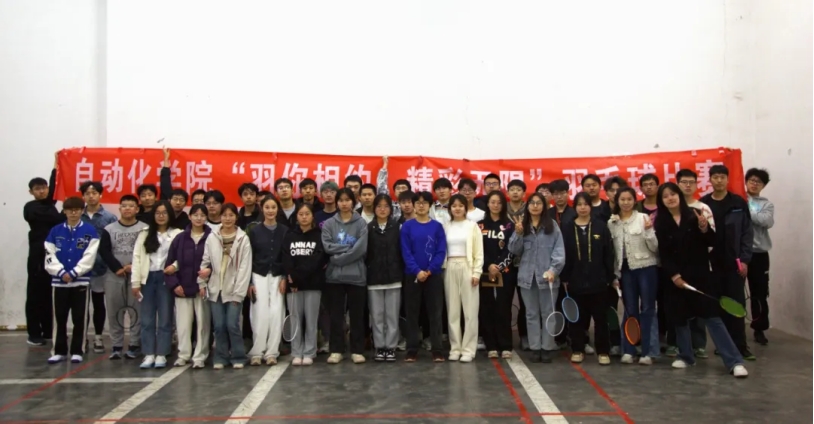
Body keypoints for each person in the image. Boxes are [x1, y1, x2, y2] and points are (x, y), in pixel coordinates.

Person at [655, 183, 748, 378]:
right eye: (665, 196)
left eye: (673, 194)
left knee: (713, 318)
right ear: (661, 201)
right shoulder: (661, 222)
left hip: (701, 276)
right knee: (680, 319)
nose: (670, 198)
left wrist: (704, 228)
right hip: (676, 279)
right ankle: (686, 356)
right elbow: (664, 253)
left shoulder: (695, 215)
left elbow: (712, 242)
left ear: (679, 195)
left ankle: (734, 361)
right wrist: (674, 276)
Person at [700, 165, 754, 360]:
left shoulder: (738, 203)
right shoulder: (703, 204)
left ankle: (741, 346)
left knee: (737, 305)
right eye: (715, 177)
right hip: (711, 264)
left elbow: (747, 233)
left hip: (734, 263)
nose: (719, 180)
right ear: (710, 180)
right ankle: (722, 346)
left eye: (722, 177)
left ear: (727, 179)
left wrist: (745, 260)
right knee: (717, 307)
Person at [508, 192, 565, 363]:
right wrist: (518, 234)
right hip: (527, 278)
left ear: (544, 206)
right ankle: (535, 347)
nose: (535, 206)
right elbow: (513, 250)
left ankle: (547, 347)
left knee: (548, 313)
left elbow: (559, 252)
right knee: (531, 314)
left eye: (538, 203)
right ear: (527, 206)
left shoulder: (552, 226)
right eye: (531, 203)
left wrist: (553, 270)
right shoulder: (522, 225)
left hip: (548, 278)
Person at [44, 196, 100, 364]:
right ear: (64, 211)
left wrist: (75, 272)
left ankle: (77, 350)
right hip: (59, 282)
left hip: (80, 282)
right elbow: (49, 254)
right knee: (59, 318)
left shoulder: (90, 231)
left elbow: (90, 256)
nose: (73, 213)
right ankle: (58, 351)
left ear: (82, 211)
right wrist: (61, 272)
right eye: (70, 210)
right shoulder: (55, 231)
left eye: (77, 210)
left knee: (79, 318)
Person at [561, 192, 615, 365]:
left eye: (586, 204)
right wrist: (565, 277)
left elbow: (608, 253)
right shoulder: (567, 228)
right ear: (575, 207)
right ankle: (578, 349)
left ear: (590, 207)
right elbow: (564, 255)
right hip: (575, 281)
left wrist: (610, 276)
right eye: (579, 204)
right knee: (577, 318)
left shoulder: (600, 226)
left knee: (600, 319)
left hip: (598, 281)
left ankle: (603, 351)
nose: (582, 208)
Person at [608, 187, 660, 364]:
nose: (626, 203)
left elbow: (655, 248)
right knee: (630, 309)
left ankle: (648, 351)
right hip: (625, 271)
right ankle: (629, 349)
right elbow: (613, 253)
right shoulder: (612, 223)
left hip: (646, 268)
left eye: (629, 199)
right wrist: (615, 275)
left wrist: (649, 232)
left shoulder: (643, 218)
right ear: (617, 201)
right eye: (622, 199)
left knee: (648, 309)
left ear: (635, 201)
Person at [199, 203, 253, 369]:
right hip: (216, 288)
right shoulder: (212, 237)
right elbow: (205, 261)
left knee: (232, 324)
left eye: (231, 215)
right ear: (220, 217)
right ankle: (221, 357)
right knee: (219, 326)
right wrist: (202, 282)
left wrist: (239, 292)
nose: (227, 219)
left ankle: (238, 356)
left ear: (236, 217)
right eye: (224, 215)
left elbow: (245, 267)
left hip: (234, 288)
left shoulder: (243, 238)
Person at [321, 188, 369, 364]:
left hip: (357, 276)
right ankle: (336, 350)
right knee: (336, 316)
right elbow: (327, 246)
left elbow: (361, 249)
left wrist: (338, 258)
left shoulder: (361, 223)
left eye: (347, 200)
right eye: (341, 200)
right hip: (334, 277)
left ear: (353, 202)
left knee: (357, 316)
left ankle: (357, 350)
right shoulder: (329, 224)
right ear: (337, 203)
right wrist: (349, 248)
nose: (344, 203)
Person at [672, 169, 716, 357]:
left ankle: (699, 345)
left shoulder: (703, 208)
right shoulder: (673, 208)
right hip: (677, 267)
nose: (688, 185)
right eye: (684, 182)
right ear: (677, 184)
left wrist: (703, 227)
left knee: (700, 305)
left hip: (699, 266)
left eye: (691, 182)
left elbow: (711, 238)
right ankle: (678, 345)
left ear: (697, 184)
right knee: (678, 307)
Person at [132, 201, 181, 369]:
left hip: (167, 277)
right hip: (147, 278)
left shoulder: (177, 234)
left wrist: (174, 266)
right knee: (147, 318)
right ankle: (148, 354)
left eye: (164, 213)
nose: (161, 216)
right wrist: (135, 282)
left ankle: (162, 353)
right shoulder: (144, 234)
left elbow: (182, 256)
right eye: (157, 213)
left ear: (170, 215)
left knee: (166, 318)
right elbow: (137, 258)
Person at [401, 191, 447, 362]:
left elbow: (441, 251)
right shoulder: (407, 226)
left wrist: (429, 270)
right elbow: (405, 251)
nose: (421, 206)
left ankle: (437, 348)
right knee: (412, 314)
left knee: (435, 313)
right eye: (418, 203)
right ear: (414, 205)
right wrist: (417, 271)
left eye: (425, 203)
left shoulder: (437, 227)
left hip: (433, 275)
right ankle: (412, 348)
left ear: (430, 206)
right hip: (412, 275)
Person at [164, 204, 211, 368]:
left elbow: (217, 263)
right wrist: (174, 285)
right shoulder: (180, 238)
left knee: (203, 324)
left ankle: (200, 356)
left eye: (202, 215)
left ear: (206, 218)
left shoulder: (212, 237)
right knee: (183, 325)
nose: (199, 218)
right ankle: (183, 354)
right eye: (195, 214)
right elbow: (169, 264)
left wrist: (209, 273)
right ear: (189, 216)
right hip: (182, 289)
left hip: (203, 289)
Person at [24, 153, 63, 346]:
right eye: (37, 189)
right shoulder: (31, 207)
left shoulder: (50, 205)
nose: (42, 191)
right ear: (31, 192)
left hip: (52, 255)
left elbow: (55, 187)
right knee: (35, 294)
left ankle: (48, 330)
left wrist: (56, 166)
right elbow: (52, 218)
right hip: (37, 256)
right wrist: (62, 216)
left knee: (49, 293)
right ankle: (34, 333)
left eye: (44, 188)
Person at [103, 195, 149, 360]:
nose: (127, 208)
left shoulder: (145, 229)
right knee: (114, 311)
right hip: (114, 276)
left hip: (137, 276)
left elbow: (148, 251)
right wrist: (117, 268)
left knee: (137, 311)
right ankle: (116, 346)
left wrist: (133, 267)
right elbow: (104, 251)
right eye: (124, 206)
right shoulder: (109, 229)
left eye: (131, 206)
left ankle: (134, 345)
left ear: (137, 209)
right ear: (119, 208)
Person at [283, 203, 327, 366]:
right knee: (295, 319)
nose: (304, 217)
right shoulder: (289, 236)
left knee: (311, 320)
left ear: (312, 216)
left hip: (313, 284)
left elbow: (318, 259)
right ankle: (296, 352)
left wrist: (299, 276)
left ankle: (309, 352)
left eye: (307, 214)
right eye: (301, 214)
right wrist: (293, 278)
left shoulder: (319, 235)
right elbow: (286, 258)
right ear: (296, 216)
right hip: (293, 286)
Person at [247, 196, 289, 366]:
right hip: (258, 275)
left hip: (278, 275)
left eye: (273, 207)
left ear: (277, 209)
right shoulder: (254, 231)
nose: (270, 210)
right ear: (262, 209)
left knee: (276, 313)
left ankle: (272, 352)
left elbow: (287, 256)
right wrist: (249, 282)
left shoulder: (284, 231)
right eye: (267, 207)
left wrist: (285, 277)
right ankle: (257, 352)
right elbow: (249, 257)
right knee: (259, 313)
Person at [443, 194, 484, 362]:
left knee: (470, 311)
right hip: (450, 267)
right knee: (452, 311)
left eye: (461, 205)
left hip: (468, 266)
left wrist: (476, 273)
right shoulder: (446, 226)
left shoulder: (472, 226)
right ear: (450, 208)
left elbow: (479, 252)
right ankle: (455, 348)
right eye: (454, 206)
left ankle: (468, 349)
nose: (457, 208)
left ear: (465, 208)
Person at [79, 181, 118, 354]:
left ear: (100, 195)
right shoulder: (78, 216)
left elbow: (114, 244)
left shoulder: (109, 218)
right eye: (87, 193)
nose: (91, 196)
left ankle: (98, 336)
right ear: (83, 196)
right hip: (80, 268)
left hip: (101, 268)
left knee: (98, 304)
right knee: (81, 306)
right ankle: (82, 337)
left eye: (94, 193)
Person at [365, 194, 404, 362]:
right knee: (377, 315)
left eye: (386, 206)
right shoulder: (368, 228)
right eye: (379, 206)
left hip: (394, 277)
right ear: (374, 209)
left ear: (391, 209)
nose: (382, 209)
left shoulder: (397, 227)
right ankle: (380, 346)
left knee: (392, 315)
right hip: (374, 278)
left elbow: (401, 251)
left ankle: (391, 347)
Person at [478, 191, 516, 359]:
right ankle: (491, 345)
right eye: (492, 202)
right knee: (486, 309)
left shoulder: (509, 225)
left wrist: (499, 266)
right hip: (484, 272)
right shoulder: (479, 226)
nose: (495, 205)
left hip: (505, 273)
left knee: (503, 308)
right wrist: (488, 265)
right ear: (487, 204)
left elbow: (511, 248)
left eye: (499, 202)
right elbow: (477, 249)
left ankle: (506, 345)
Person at [744, 168, 774, 345]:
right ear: (746, 181)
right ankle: (735, 330)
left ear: (763, 185)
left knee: (760, 293)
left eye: (759, 182)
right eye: (752, 180)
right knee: (735, 292)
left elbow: (766, 221)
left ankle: (759, 328)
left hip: (759, 254)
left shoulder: (766, 204)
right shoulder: (736, 199)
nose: (754, 184)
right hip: (740, 253)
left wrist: (746, 206)